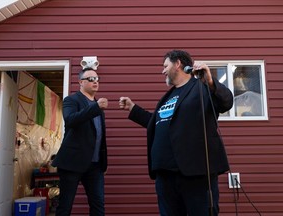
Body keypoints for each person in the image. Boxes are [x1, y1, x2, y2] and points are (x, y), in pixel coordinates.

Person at [119, 50, 233, 216]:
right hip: (165, 175)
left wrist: (210, 81)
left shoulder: (200, 87)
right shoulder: (168, 97)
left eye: (165, 66)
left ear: (178, 64)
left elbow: (226, 102)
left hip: (195, 173)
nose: (162, 71)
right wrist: (133, 109)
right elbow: (158, 124)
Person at [52, 67, 108, 216]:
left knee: (98, 205)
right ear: (80, 82)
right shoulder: (71, 100)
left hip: (95, 165)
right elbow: (70, 120)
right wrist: (96, 108)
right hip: (72, 163)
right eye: (90, 79)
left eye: (97, 79)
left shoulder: (97, 104)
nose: (95, 81)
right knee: (65, 206)